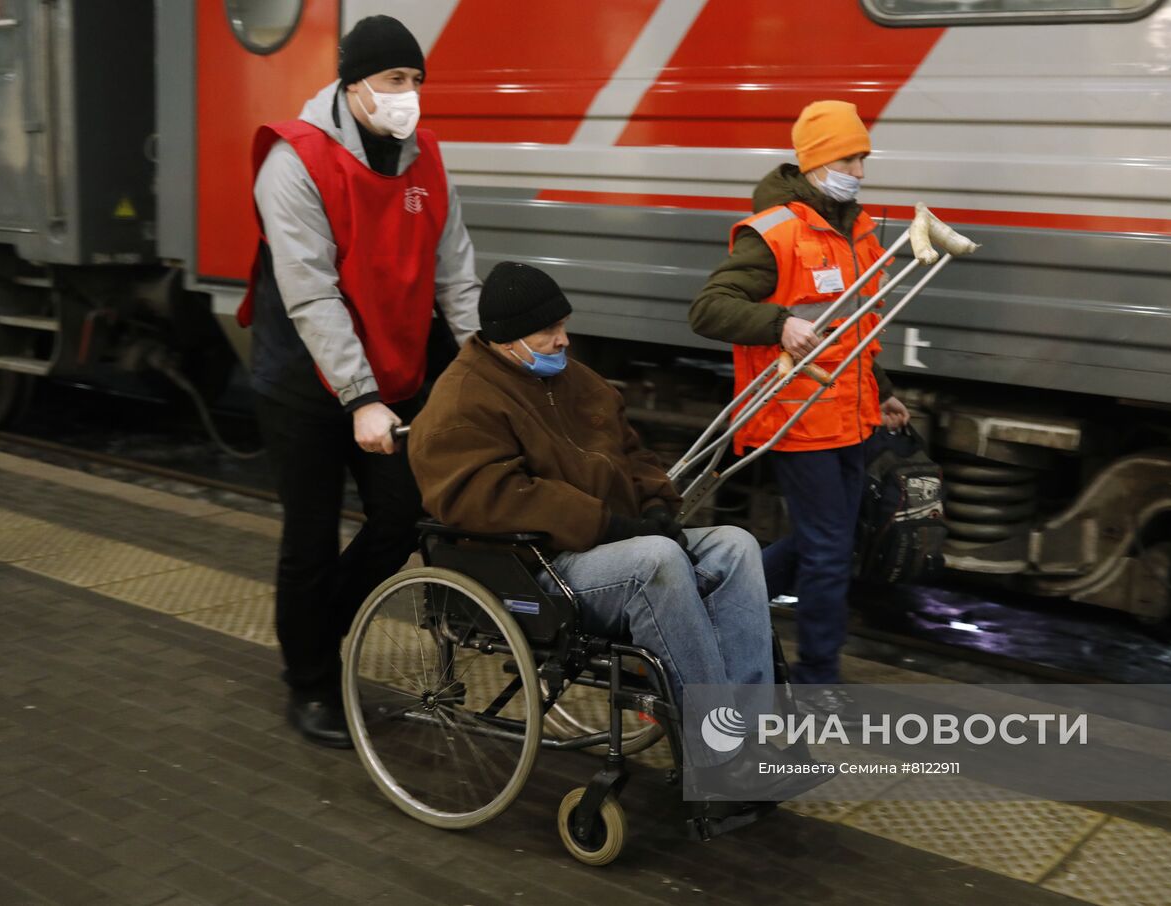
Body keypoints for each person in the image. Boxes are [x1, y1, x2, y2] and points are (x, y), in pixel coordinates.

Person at [237, 16, 481, 748]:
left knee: (403, 515)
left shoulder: (426, 158)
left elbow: (456, 272)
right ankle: (309, 684)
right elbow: (311, 293)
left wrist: (489, 365)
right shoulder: (295, 160)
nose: (408, 96)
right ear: (353, 86)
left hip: (391, 369)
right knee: (309, 536)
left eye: (415, 82)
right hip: (308, 382)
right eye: (392, 81)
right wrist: (359, 397)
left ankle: (320, 632)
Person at [407, 261, 776, 738]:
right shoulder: (461, 400)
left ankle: (754, 729)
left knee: (736, 544)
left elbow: (632, 453)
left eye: (562, 325)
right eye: (548, 331)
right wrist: (614, 527)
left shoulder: (578, 381)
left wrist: (656, 506)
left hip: (605, 546)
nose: (563, 339)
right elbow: (492, 498)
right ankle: (720, 745)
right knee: (656, 560)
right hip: (537, 566)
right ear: (506, 339)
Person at [689, 100, 910, 695]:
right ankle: (818, 678)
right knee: (829, 551)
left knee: (829, 536)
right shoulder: (777, 233)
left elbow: (855, 329)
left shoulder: (855, 231)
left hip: (851, 414)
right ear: (815, 162)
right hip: (797, 417)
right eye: (850, 158)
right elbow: (708, 309)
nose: (860, 171)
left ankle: (714, 593)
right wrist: (779, 322)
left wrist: (882, 392)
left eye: (862, 158)